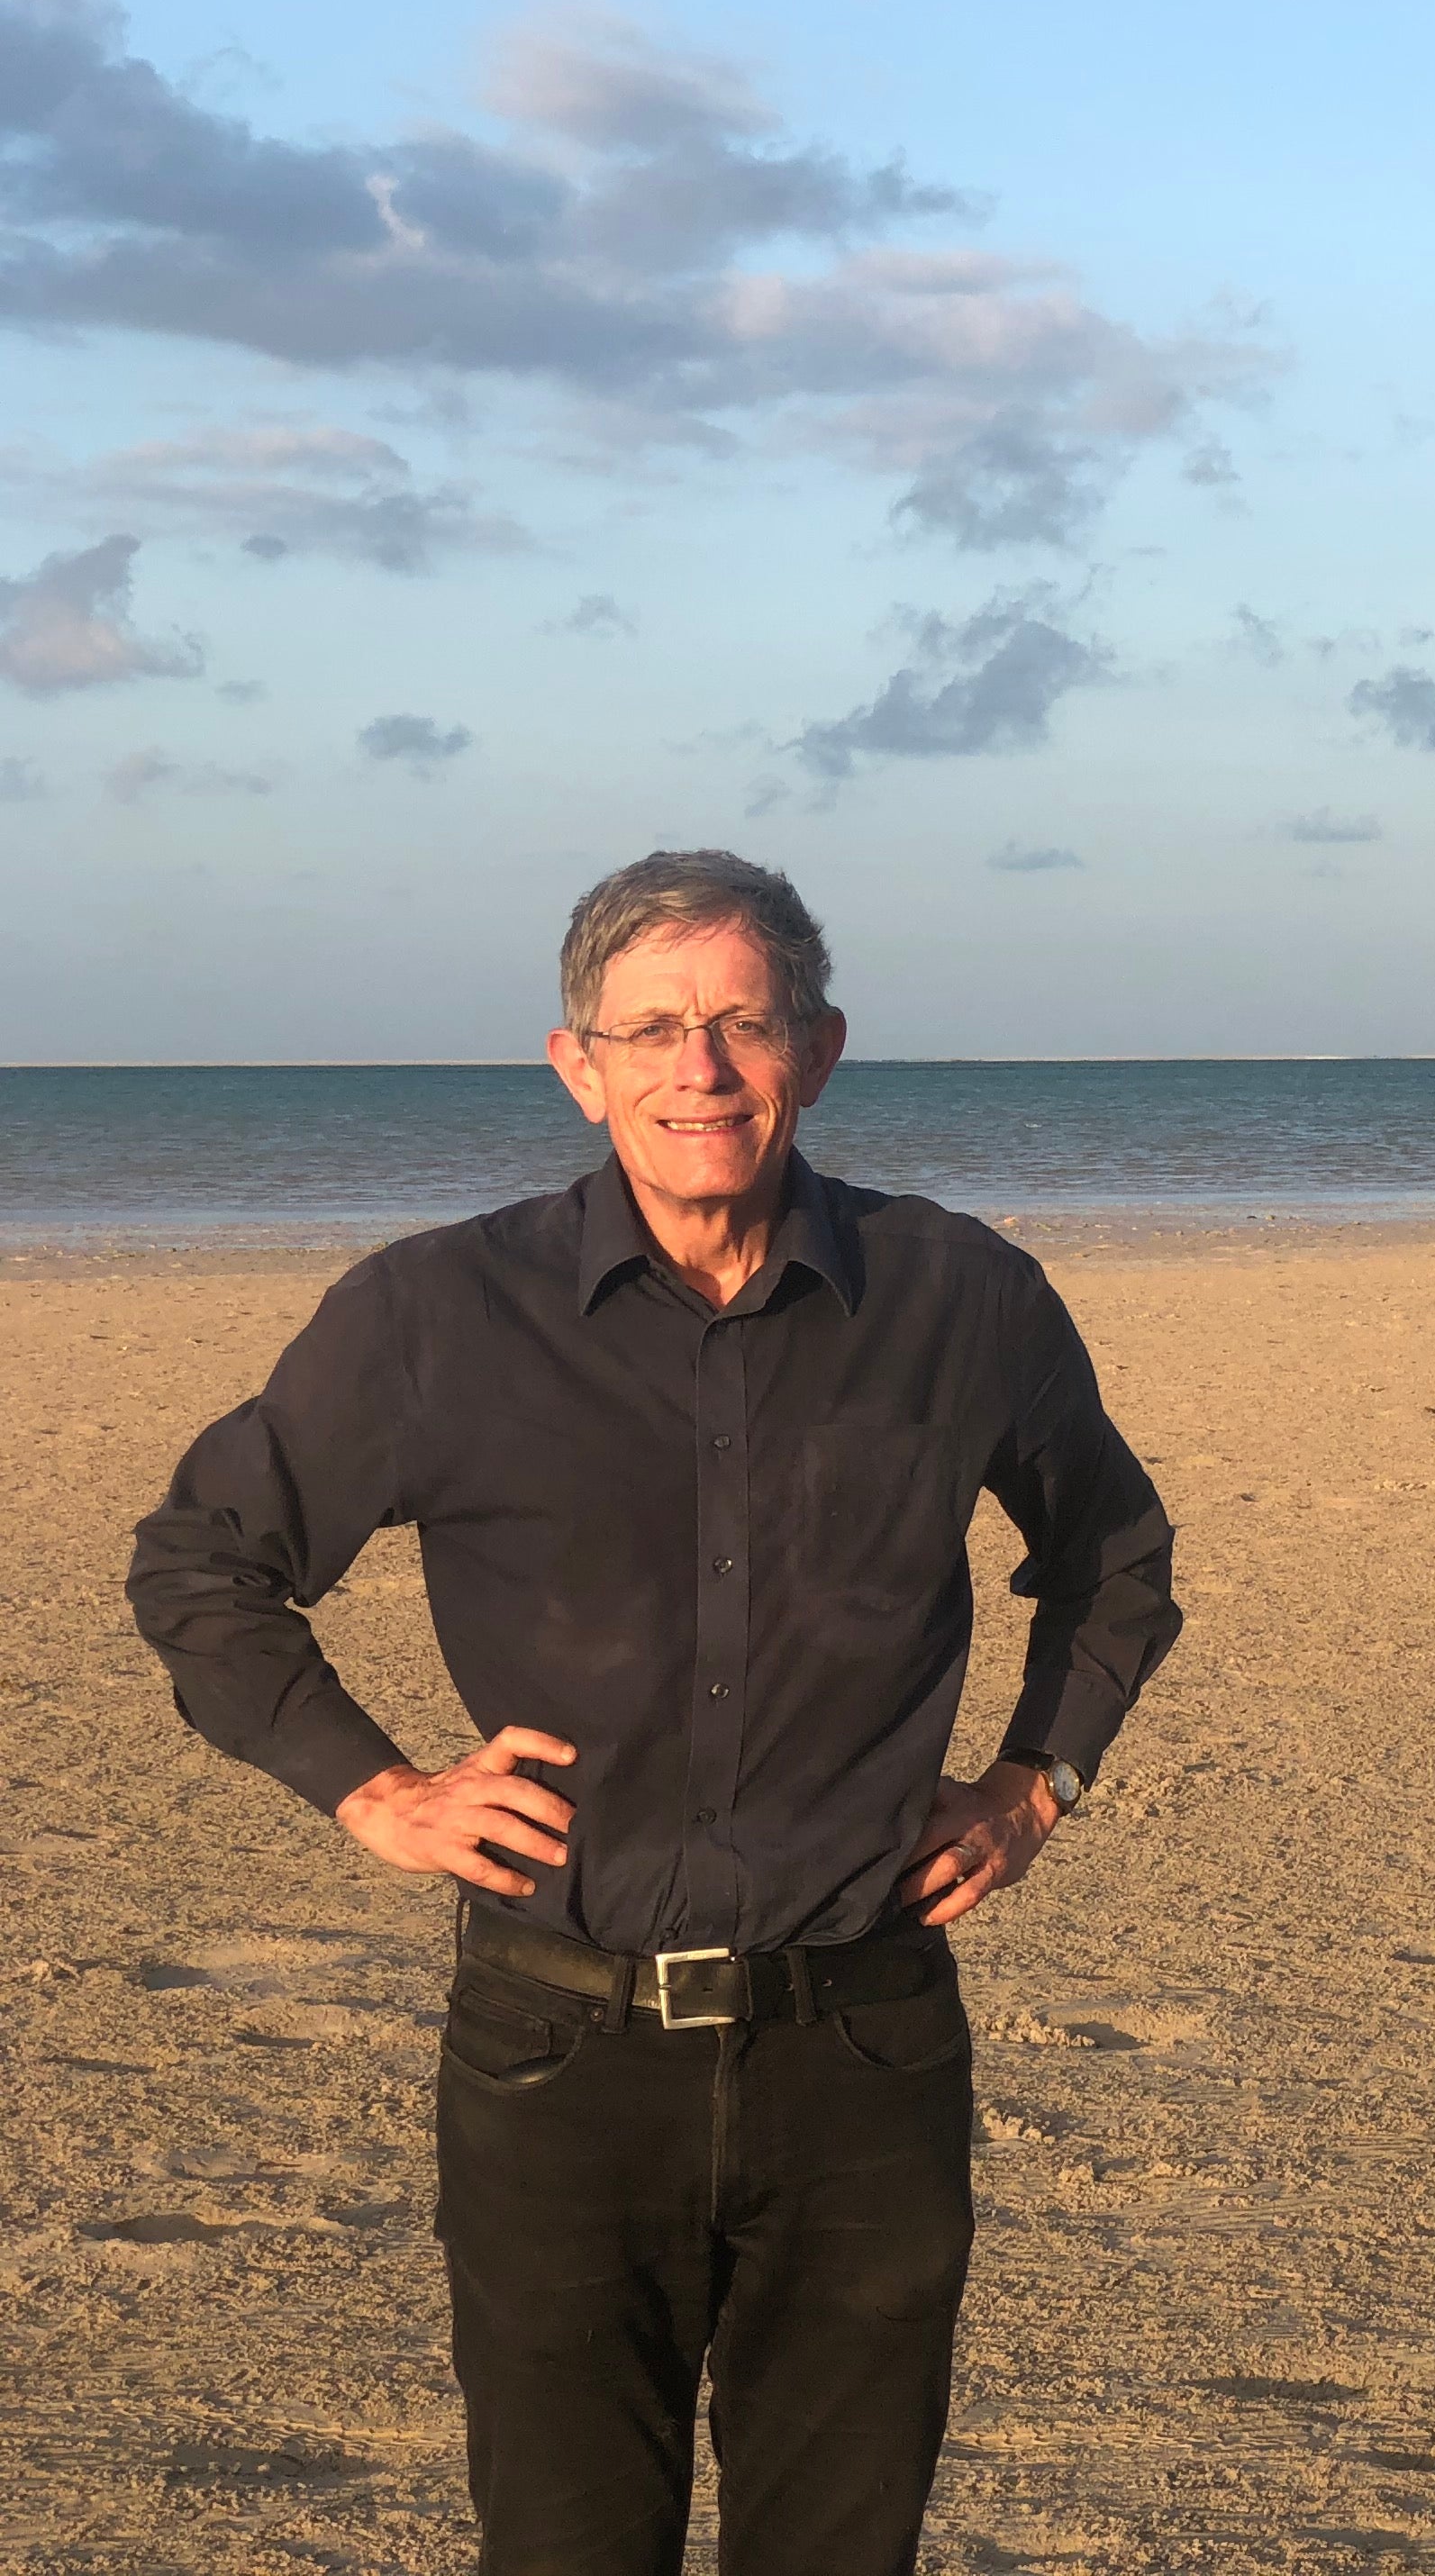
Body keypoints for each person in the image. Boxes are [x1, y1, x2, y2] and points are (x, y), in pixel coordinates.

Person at [128, 849, 1180, 2576]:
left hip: (865, 2047)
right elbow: (202, 1564)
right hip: (558, 2056)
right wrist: (373, 1788)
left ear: (818, 1052)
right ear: (580, 1064)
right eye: (654, 1029)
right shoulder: (433, 1314)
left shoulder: (959, 1297)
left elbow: (1117, 1560)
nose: (699, 1069)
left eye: (741, 1025)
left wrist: (1033, 1781)